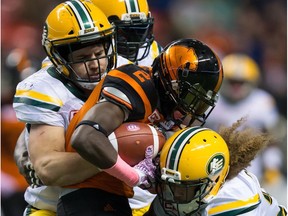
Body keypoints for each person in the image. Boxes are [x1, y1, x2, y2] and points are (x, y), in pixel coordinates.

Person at [55, 37, 223, 216]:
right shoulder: (138, 85)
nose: (192, 109)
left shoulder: (164, 104)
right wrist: (135, 176)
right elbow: (86, 137)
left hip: (114, 195)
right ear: (171, 81)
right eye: (191, 98)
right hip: (86, 192)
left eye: (201, 104)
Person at [13, 0, 132, 215]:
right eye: (83, 58)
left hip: (125, 204)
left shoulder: (127, 72)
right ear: (59, 58)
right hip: (53, 207)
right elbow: (49, 169)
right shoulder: (45, 89)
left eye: (99, 54)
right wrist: (113, 154)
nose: (95, 64)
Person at [90, 0, 162, 214]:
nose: (136, 41)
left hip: (145, 185)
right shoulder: (83, 60)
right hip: (92, 184)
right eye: (125, 33)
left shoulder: (155, 54)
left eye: (140, 31)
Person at [145, 118, 287, 216]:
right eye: (170, 185)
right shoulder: (173, 194)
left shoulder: (232, 200)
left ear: (212, 182)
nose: (174, 194)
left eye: (184, 187)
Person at [205, 53, 286, 205]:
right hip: (216, 167)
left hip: (253, 169)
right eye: (233, 81)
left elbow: (272, 139)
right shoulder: (212, 101)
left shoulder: (262, 102)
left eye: (241, 82)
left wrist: (272, 166)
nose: (236, 87)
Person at [91, 0, 163, 65]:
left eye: (139, 29)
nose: (134, 40)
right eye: (124, 31)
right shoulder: (92, 60)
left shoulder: (156, 54)